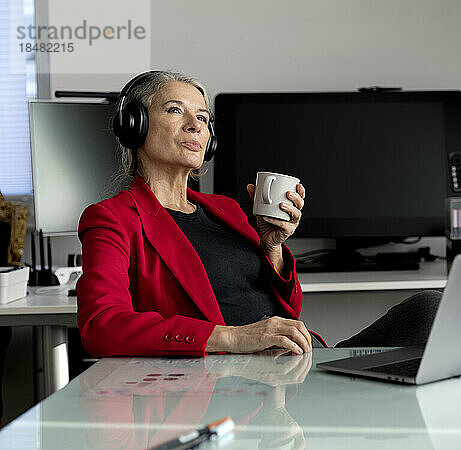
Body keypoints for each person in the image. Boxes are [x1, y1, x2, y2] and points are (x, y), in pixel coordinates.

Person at [77, 70, 441, 359]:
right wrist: (234, 338)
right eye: (176, 110)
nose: (195, 125)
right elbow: (101, 326)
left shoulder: (227, 210)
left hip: (296, 364)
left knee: (430, 309)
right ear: (134, 125)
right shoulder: (112, 218)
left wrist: (273, 246)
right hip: (229, 382)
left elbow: (286, 308)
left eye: (203, 117)